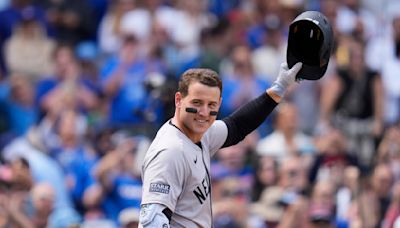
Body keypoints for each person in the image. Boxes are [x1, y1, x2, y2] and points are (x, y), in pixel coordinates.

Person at [139, 61, 303, 227]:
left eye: (211, 105)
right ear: (179, 100)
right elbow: (151, 222)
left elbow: (237, 126)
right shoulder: (170, 152)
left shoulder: (200, 132)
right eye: (197, 103)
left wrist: (280, 86)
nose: (204, 112)